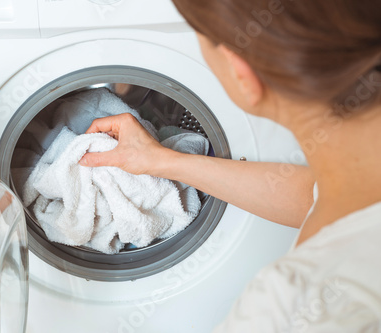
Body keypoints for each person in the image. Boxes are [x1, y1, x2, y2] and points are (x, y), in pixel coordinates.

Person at [79, 1, 381, 331]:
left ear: (242, 72)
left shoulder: (294, 308)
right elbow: (312, 196)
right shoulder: (353, 182)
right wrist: (162, 160)